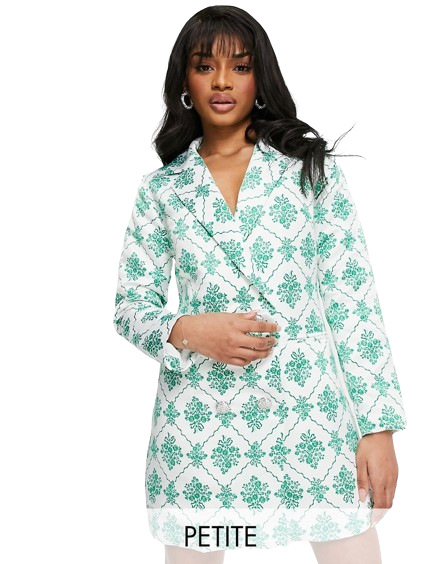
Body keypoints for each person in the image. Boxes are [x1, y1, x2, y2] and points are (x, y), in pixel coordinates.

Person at [113, 5, 407, 564]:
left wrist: (378, 428)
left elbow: (354, 302)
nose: (222, 81)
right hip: (202, 433)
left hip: (313, 420)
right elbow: (131, 306)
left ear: (259, 77)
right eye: (205, 66)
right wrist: (188, 330)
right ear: (184, 83)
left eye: (240, 66)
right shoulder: (162, 191)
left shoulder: (310, 170)